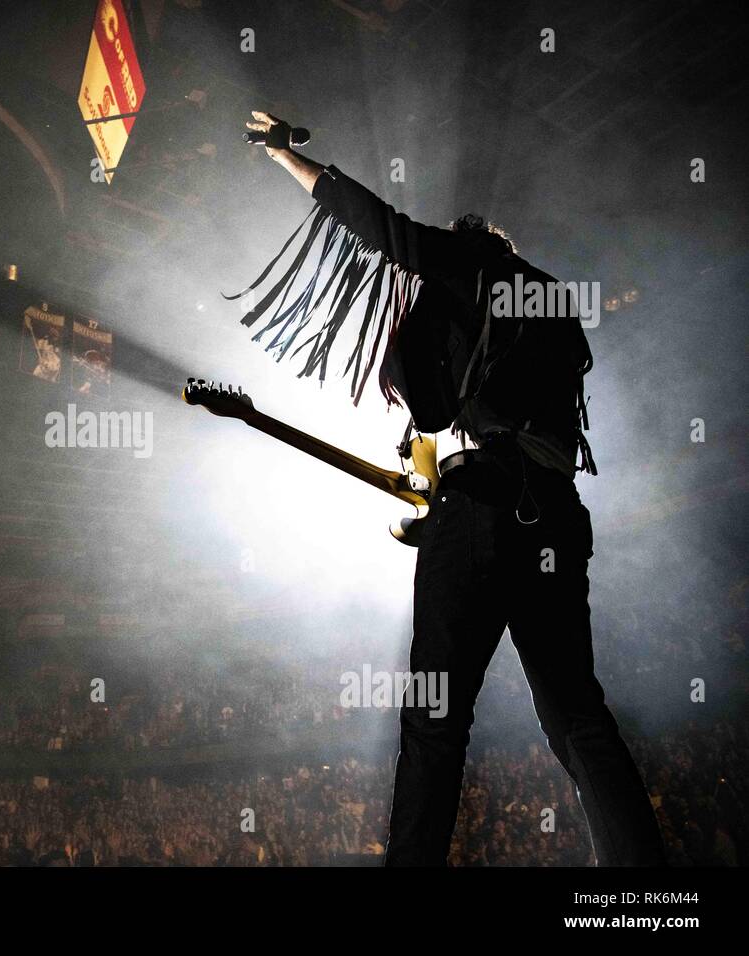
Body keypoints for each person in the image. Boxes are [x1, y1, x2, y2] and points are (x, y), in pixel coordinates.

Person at [237, 111, 663, 866]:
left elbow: (381, 229)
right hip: (554, 519)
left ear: (469, 243)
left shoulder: (466, 265)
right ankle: (642, 886)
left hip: (481, 514)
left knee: (435, 722)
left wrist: (289, 161)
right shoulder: (555, 305)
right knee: (576, 716)